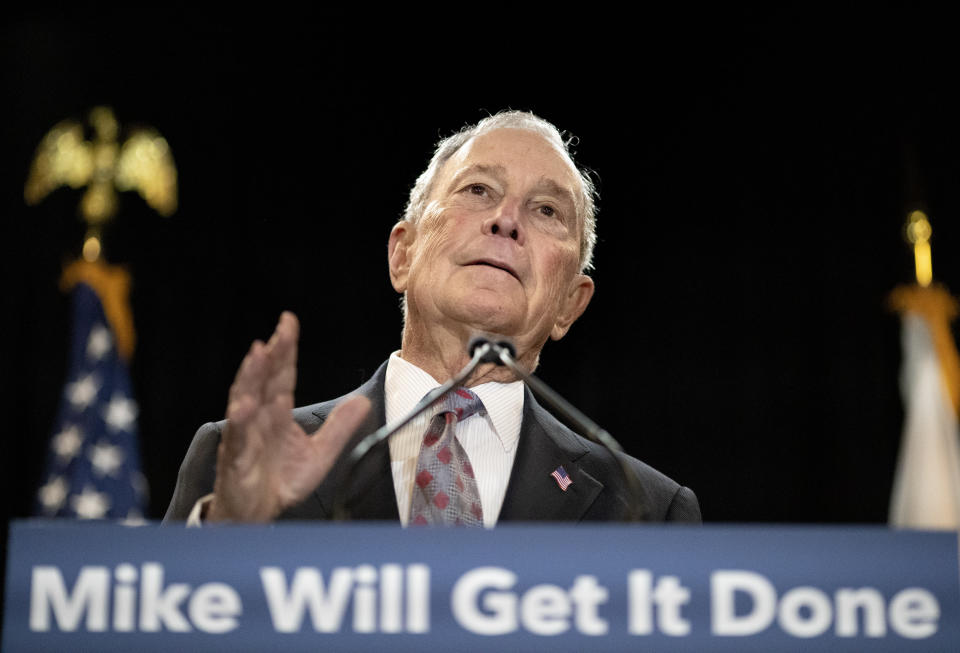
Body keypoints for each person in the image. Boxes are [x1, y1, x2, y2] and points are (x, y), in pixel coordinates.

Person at [164, 110, 700, 525]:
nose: (506, 220)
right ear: (402, 253)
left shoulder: (646, 510)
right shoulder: (240, 459)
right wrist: (226, 540)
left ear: (570, 303)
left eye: (546, 211)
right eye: (478, 190)